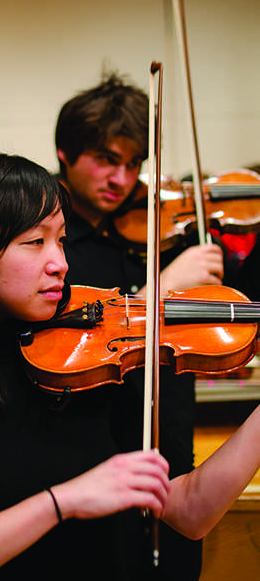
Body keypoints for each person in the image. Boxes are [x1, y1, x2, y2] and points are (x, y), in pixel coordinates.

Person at [0, 152, 259, 581]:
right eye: (35, 242)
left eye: (62, 240)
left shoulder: (91, 365)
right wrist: (60, 502)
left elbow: (187, 512)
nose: (62, 264)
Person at [54, 72, 226, 579]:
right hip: (83, 459)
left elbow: (232, 303)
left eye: (134, 164)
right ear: (66, 152)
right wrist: (161, 287)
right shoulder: (43, 233)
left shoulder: (164, 223)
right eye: (107, 159)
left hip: (170, 451)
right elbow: (66, 334)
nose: (123, 180)